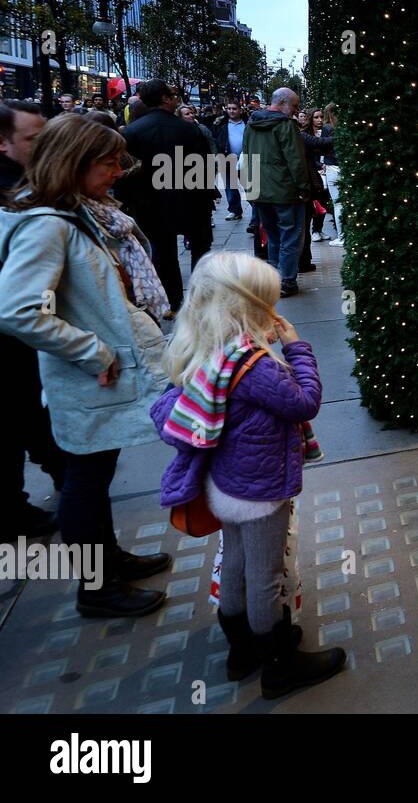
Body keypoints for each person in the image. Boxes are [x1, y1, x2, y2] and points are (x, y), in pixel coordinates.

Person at [151, 251, 346, 698]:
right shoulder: (251, 364)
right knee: (266, 576)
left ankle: (241, 650)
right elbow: (303, 402)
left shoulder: (202, 349)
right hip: (259, 492)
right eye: (269, 300)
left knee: (236, 562)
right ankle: (279, 664)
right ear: (249, 306)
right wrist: (296, 347)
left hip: (223, 486)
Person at [0, 114, 172, 617]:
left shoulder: (80, 212)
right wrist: (93, 352)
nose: (119, 171)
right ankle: (98, 589)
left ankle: (109, 563)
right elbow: (17, 309)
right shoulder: (49, 225)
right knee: (85, 480)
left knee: (93, 475)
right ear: (74, 163)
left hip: (105, 376)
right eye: (109, 162)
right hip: (92, 376)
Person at [0, 100, 62, 544]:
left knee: (25, 413)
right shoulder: (17, 200)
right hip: (13, 336)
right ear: (2, 143)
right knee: (17, 414)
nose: (43, 146)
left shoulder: (28, 185)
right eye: (32, 139)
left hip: (23, 338)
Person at [116, 79, 219, 312]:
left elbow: (124, 170)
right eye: (173, 95)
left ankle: (173, 302)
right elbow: (203, 166)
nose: (176, 99)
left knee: (163, 252)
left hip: (149, 202)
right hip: (191, 199)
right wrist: (208, 193)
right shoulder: (189, 129)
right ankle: (199, 299)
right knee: (200, 249)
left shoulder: (132, 132)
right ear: (164, 99)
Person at [244, 87, 311, 297]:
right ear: (283, 103)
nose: (296, 110)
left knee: (272, 235)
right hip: (284, 191)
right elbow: (295, 160)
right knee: (291, 236)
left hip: (261, 191)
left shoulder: (252, 124)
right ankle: (287, 281)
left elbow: (245, 156)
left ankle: (274, 277)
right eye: (294, 105)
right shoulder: (286, 125)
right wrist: (304, 188)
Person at [212, 100, 249, 222]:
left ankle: (256, 208)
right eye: (229, 108)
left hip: (245, 160)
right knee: (230, 186)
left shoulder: (248, 123)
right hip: (227, 159)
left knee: (248, 185)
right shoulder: (221, 125)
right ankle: (235, 210)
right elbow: (216, 141)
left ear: (240, 110)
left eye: (234, 108)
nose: (231, 111)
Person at [302, 108, 335, 244]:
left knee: (323, 201)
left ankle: (319, 228)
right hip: (315, 171)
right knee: (316, 200)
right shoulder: (306, 134)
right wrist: (319, 166)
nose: (319, 120)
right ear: (311, 119)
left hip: (328, 169)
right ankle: (314, 230)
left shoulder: (326, 131)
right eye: (316, 117)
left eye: (321, 117)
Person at [322, 104, 344, 247]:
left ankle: (341, 237)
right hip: (344, 165)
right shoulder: (344, 127)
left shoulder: (327, 128)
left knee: (338, 203)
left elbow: (322, 147)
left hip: (332, 167)